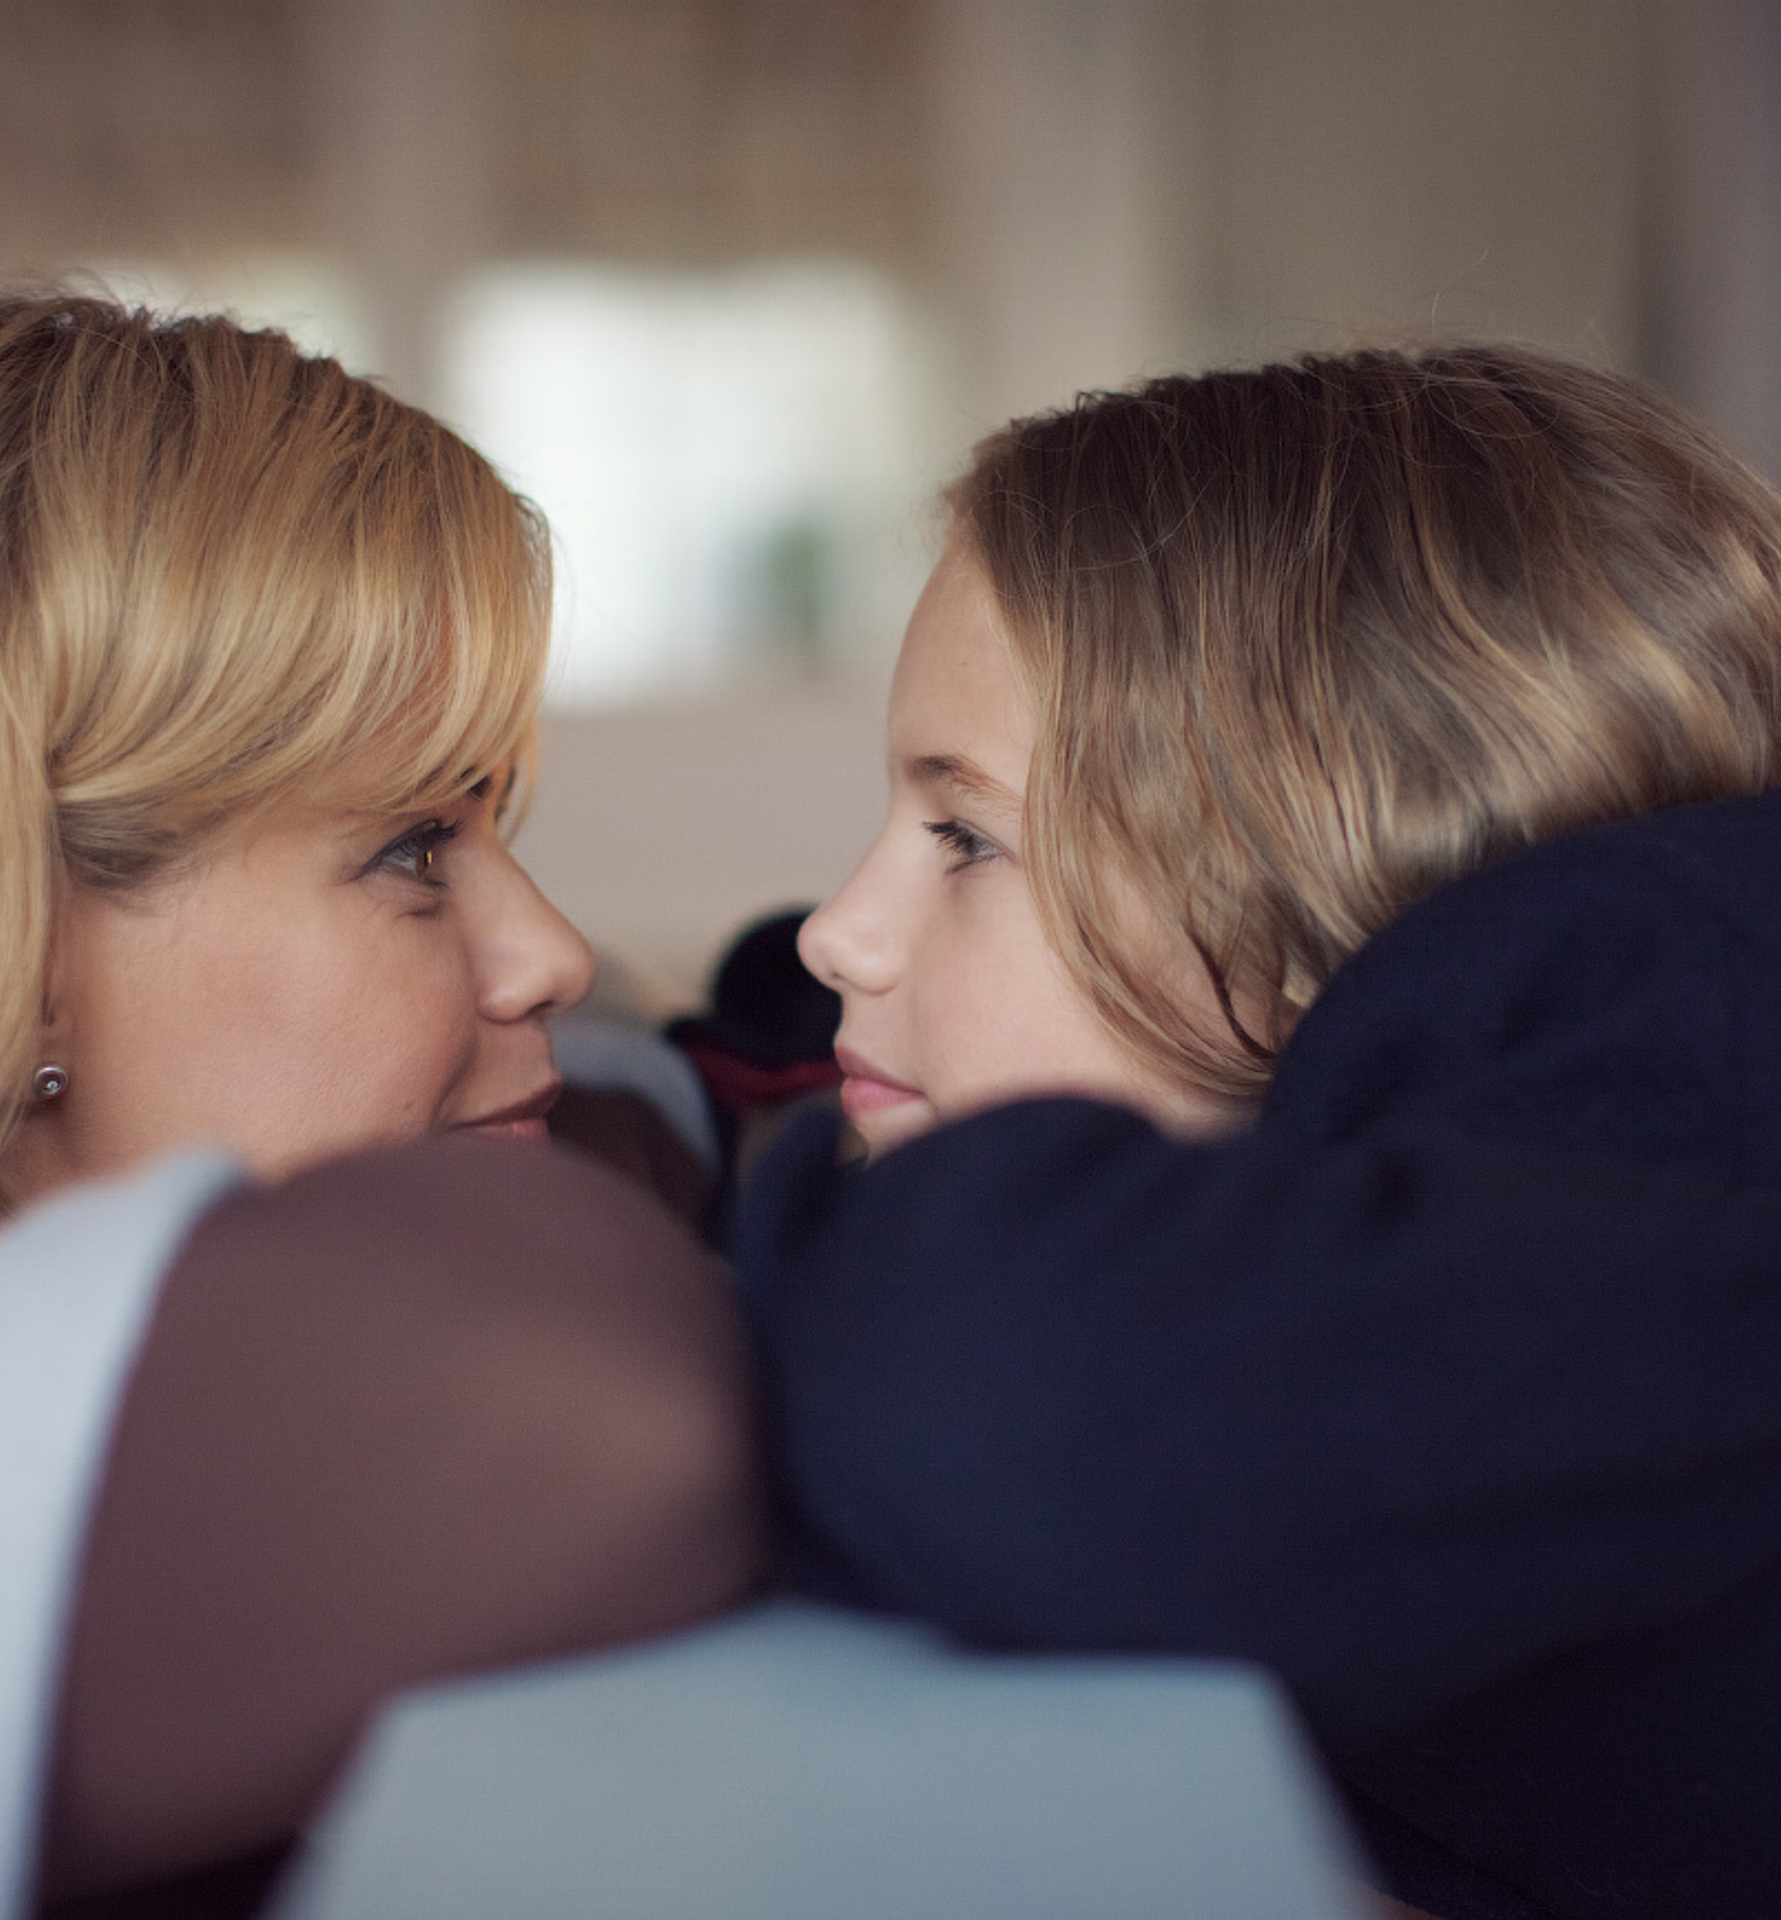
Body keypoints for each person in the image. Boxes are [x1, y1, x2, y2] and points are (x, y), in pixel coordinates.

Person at [740, 347, 1781, 1918]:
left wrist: (715, 1291)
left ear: (1329, 859)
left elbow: (995, 1401)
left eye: (964, 836)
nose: (842, 931)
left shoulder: (1696, 1010)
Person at [0, 296, 764, 1917]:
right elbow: (598, 1408)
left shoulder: (600, 1123)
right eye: (412, 851)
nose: (550, 954)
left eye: (495, 827)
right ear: (11, 951)